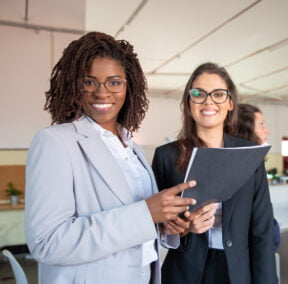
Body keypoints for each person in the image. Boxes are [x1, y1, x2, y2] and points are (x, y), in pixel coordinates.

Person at [24, 32, 196, 284]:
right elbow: (47, 242)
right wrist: (146, 214)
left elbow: (140, 226)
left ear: (129, 86)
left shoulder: (131, 146)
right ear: (74, 83)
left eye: (114, 82)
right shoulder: (55, 141)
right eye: (89, 82)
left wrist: (163, 224)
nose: (102, 93)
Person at [151, 62, 278, 284]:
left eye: (218, 94)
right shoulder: (166, 157)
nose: (208, 101)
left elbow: (262, 231)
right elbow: (156, 226)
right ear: (188, 102)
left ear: (230, 103)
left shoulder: (250, 155)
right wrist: (184, 229)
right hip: (184, 271)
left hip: (237, 270)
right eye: (199, 93)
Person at [235, 103, 281, 250]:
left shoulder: (255, 162)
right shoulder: (241, 166)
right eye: (261, 125)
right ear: (245, 129)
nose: (267, 130)